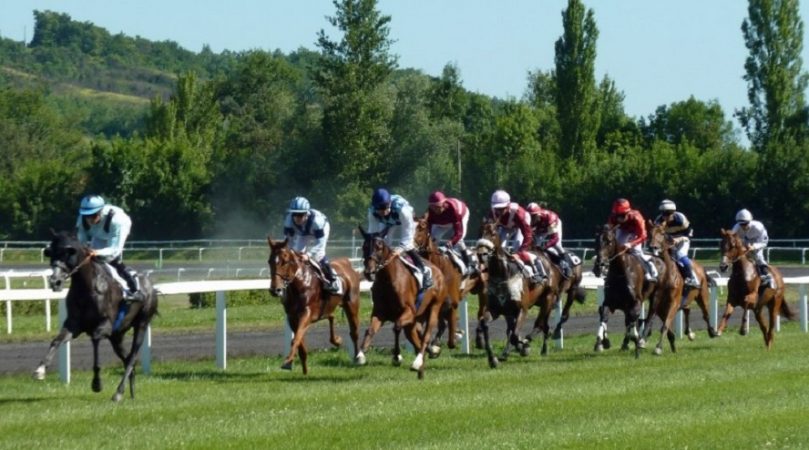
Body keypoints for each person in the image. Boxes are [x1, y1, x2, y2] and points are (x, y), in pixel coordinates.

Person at [75, 195, 144, 302]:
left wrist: (96, 252)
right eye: (86, 216)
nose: (89, 219)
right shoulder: (81, 219)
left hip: (115, 232)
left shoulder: (118, 220)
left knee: (111, 260)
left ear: (100, 211)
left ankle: (134, 288)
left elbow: (114, 249)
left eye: (92, 215)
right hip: (99, 234)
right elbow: (81, 243)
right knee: (91, 259)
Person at [367, 188, 433, 288]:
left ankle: (424, 271)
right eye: (379, 209)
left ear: (389, 204)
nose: (383, 211)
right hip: (389, 222)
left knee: (409, 246)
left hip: (404, 221)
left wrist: (399, 249)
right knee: (382, 244)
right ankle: (379, 270)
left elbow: (407, 236)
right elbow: (373, 234)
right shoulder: (372, 212)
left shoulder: (403, 211)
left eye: (385, 208)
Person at [283, 196, 339, 293]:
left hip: (321, 229)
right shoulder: (289, 221)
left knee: (318, 254)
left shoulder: (317, 222)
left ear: (306, 213)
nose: (297, 218)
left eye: (300, 215)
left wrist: (308, 255)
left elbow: (320, 244)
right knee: (296, 252)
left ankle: (332, 279)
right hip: (303, 233)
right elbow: (288, 241)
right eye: (294, 214)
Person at [488, 190, 545, 284]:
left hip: (519, 226)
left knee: (517, 249)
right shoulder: (492, 212)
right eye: (497, 208)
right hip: (505, 227)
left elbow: (527, 234)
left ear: (508, 205)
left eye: (502, 208)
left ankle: (537, 270)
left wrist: (520, 252)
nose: (499, 211)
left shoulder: (519, 213)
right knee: (499, 248)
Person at [425, 191, 475, 275]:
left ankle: (469, 263)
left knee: (459, 241)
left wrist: (451, 242)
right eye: (433, 207)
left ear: (444, 204)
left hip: (461, 215)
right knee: (432, 239)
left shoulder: (454, 210)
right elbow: (429, 228)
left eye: (437, 207)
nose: (435, 210)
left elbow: (459, 233)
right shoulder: (431, 211)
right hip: (443, 221)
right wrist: (430, 238)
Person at [607, 198, 658, 282]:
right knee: (615, 249)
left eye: (622, 215)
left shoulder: (636, 217)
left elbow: (643, 235)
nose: (619, 219)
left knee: (636, 251)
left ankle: (649, 271)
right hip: (623, 231)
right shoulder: (613, 218)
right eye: (617, 216)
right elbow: (609, 232)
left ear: (628, 213)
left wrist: (631, 244)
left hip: (636, 233)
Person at [654, 199, 699, 287]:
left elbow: (689, 233)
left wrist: (679, 239)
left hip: (683, 240)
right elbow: (657, 235)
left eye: (668, 214)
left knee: (680, 254)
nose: (665, 217)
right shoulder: (658, 220)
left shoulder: (680, 219)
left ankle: (691, 277)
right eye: (663, 214)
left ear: (673, 212)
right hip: (667, 241)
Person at [525, 202, 573, 278]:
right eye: (530, 216)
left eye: (533, 216)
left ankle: (566, 265)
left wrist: (545, 246)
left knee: (557, 245)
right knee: (536, 245)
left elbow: (555, 238)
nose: (531, 219)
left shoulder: (550, 218)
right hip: (541, 228)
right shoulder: (531, 219)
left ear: (538, 214)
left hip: (553, 224)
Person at [730, 208, 774, 288]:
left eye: (745, 224)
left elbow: (764, 242)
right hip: (744, 243)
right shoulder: (736, 228)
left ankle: (767, 275)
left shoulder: (759, 227)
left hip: (757, 243)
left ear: (750, 221)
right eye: (741, 224)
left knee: (758, 256)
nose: (743, 226)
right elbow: (732, 240)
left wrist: (754, 246)